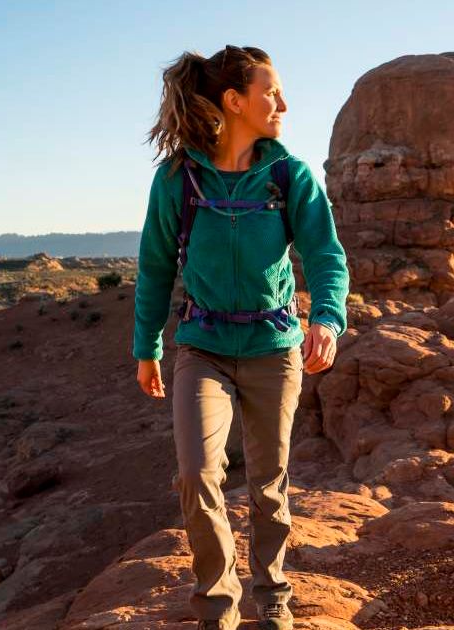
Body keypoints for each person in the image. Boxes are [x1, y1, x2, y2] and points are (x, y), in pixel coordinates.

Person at [131, 45, 349, 630]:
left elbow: (326, 255)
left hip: (273, 348)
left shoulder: (288, 176)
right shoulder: (178, 180)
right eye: (271, 92)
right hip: (200, 347)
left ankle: (272, 592)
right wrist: (147, 347)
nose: (283, 103)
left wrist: (327, 319)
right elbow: (154, 267)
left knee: (268, 482)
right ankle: (217, 608)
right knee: (197, 473)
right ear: (234, 101)